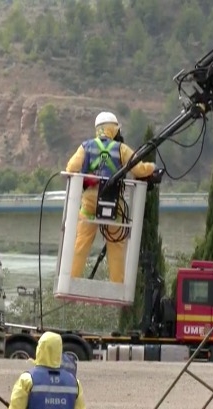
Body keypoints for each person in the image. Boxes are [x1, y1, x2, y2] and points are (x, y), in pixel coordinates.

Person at [64, 111, 157, 284]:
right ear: (114, 129)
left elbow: (71, 168)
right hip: (114, 203)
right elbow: (139, 169)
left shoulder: (86, 146)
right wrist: (153, 168)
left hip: (89, 203)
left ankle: (71, 278)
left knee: (81, 242)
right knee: (116, 246)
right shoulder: (121, 149)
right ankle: (117, 284)